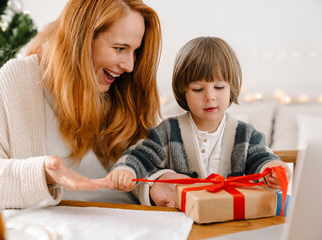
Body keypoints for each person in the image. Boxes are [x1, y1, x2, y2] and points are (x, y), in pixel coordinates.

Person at [0, 0, 162, 209]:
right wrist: (43, 173)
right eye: (120, 48)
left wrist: (156, 182)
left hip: (130, 222)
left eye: (134, 51)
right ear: (81, 40)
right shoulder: (19, 79)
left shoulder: (124, 89)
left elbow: (154, 157)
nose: (129, 66)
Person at [107, 36, 292, 207]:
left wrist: (272, 169)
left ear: (232, 88)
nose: (210, 97)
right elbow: (141, 155)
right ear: (183, 92)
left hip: (229, 218)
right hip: (180, 219)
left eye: (219, 87)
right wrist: (126, 170)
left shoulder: (245, 134)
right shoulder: (169, 131)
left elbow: (261, 156)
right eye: (197, 89)